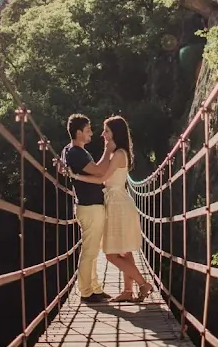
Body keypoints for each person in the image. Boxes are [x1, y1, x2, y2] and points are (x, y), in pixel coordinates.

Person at [71, 115, 153, 302]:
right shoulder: (119, 153)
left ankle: (142, 283)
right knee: (124, 251)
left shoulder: (118, 154)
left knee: (111, 254)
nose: (103, 134)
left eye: (106, 131)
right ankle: (127, 291)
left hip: (118, 205)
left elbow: (101, 179)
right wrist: (107, 152)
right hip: (118, 202)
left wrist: (76, 177)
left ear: (115, 132)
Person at [61, 113, 112, 303]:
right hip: (90, 207)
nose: (92, 132)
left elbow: (65, 153)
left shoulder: (72, 150)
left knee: (92, 251)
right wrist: (108, 150)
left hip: (90, 206)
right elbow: (99, 171)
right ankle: (86, 292)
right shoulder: (76, 152)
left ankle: (94, 288)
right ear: (79, 132)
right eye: (88, 129)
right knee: (90, 252)